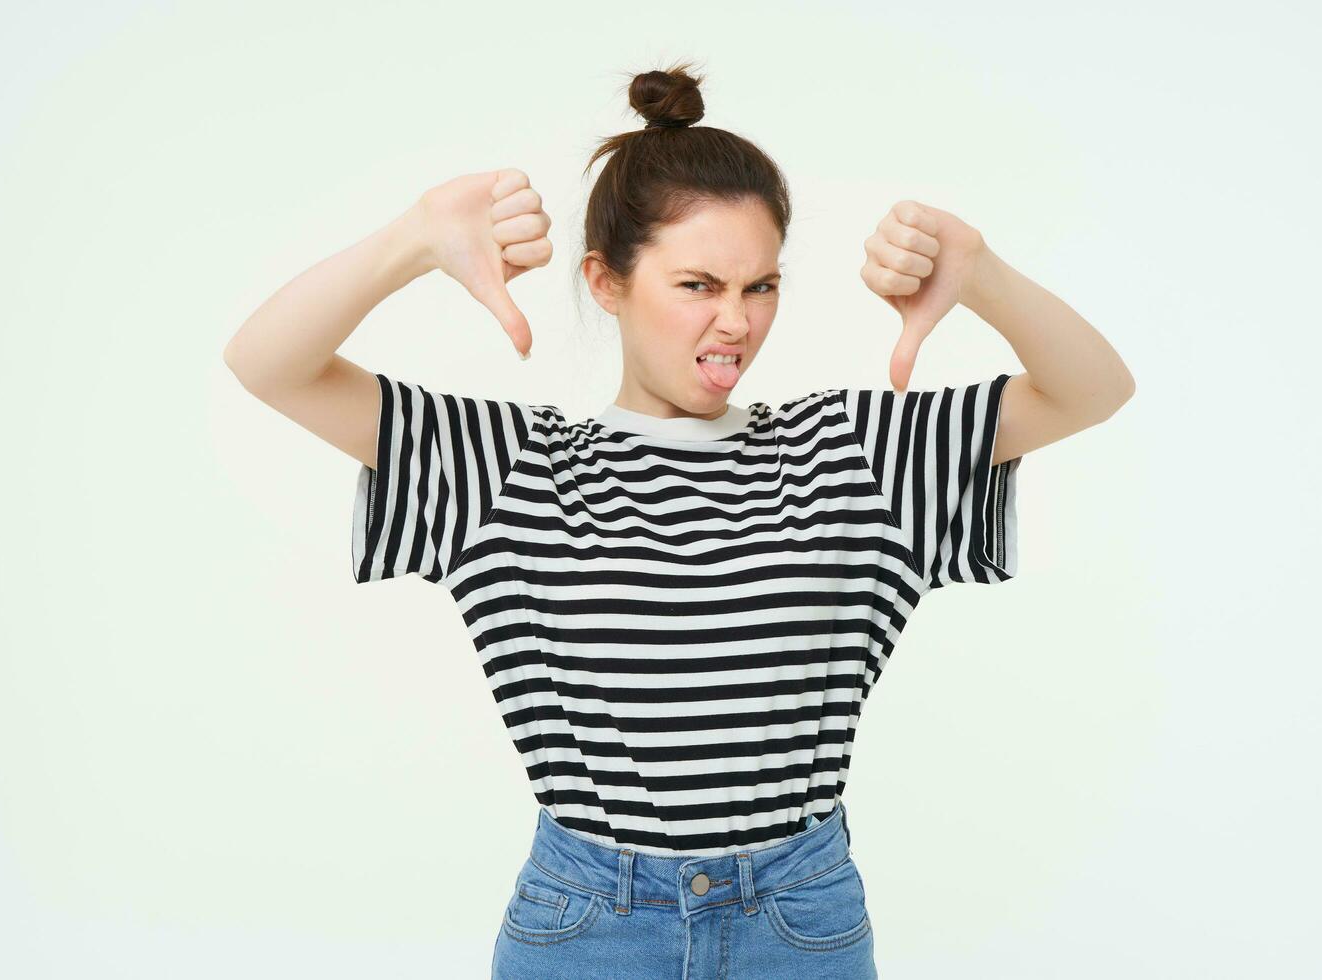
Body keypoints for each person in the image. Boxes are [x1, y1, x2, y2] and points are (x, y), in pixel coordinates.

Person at [224, 60, 1134, 980]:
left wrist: (977, 272)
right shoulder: (507, 467)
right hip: (589, 927)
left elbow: (1095, 389)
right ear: (606, 282)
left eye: (761, 286)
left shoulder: (855, 454)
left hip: (797, 923)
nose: (736, 322)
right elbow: (270, 363)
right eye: (698, 285)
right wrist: (413, 240)